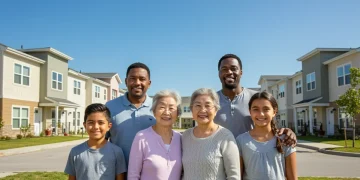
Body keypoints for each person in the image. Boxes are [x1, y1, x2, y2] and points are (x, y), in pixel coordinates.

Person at [214, 54, 297, 146]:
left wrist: (285, 131)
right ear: (219, 73)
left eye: (233, 68)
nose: (229, 72)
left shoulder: (256, 97)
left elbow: (268, 124)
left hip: (250, 156)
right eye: (224, 69)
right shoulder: (211, 100)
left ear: (241, 72)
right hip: (220, 156)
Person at [182, 88, 240, 180]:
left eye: (207, 105)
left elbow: (234, 176)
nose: (203, 110)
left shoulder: (225, 136)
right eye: (198, 105)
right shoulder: (185, 136)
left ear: (216, 110)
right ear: (192, 110)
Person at [236, 91, 297, 180]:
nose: (261, 114)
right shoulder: (241, 141)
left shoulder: (285, 139)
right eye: (255, 109)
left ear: (274, 112)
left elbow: (293, 178)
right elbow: (238, 176)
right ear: (250, 112)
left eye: (266, 109)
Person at [105, 62, 155, 166]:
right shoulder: (110, 107)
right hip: (118, 172)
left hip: (150, 173)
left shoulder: (158, 108)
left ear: (149, 83)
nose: (137, 83)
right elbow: (101, 140)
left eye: (142, 79)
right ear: (126, 81)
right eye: (132, 78)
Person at [128, 90, 182, 180]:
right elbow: (133, 175)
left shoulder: (180, 138)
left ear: (177, 114)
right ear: (154, 111)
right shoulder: (141, 137)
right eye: (162, 107)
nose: (166, 112)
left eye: (171, 108)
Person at [64, 103, 126, 180]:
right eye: (91, 122)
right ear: (84, 125)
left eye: (101, 123)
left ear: (108, 126)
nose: (96, 127)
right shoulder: (75, 152)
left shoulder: (117, 152)